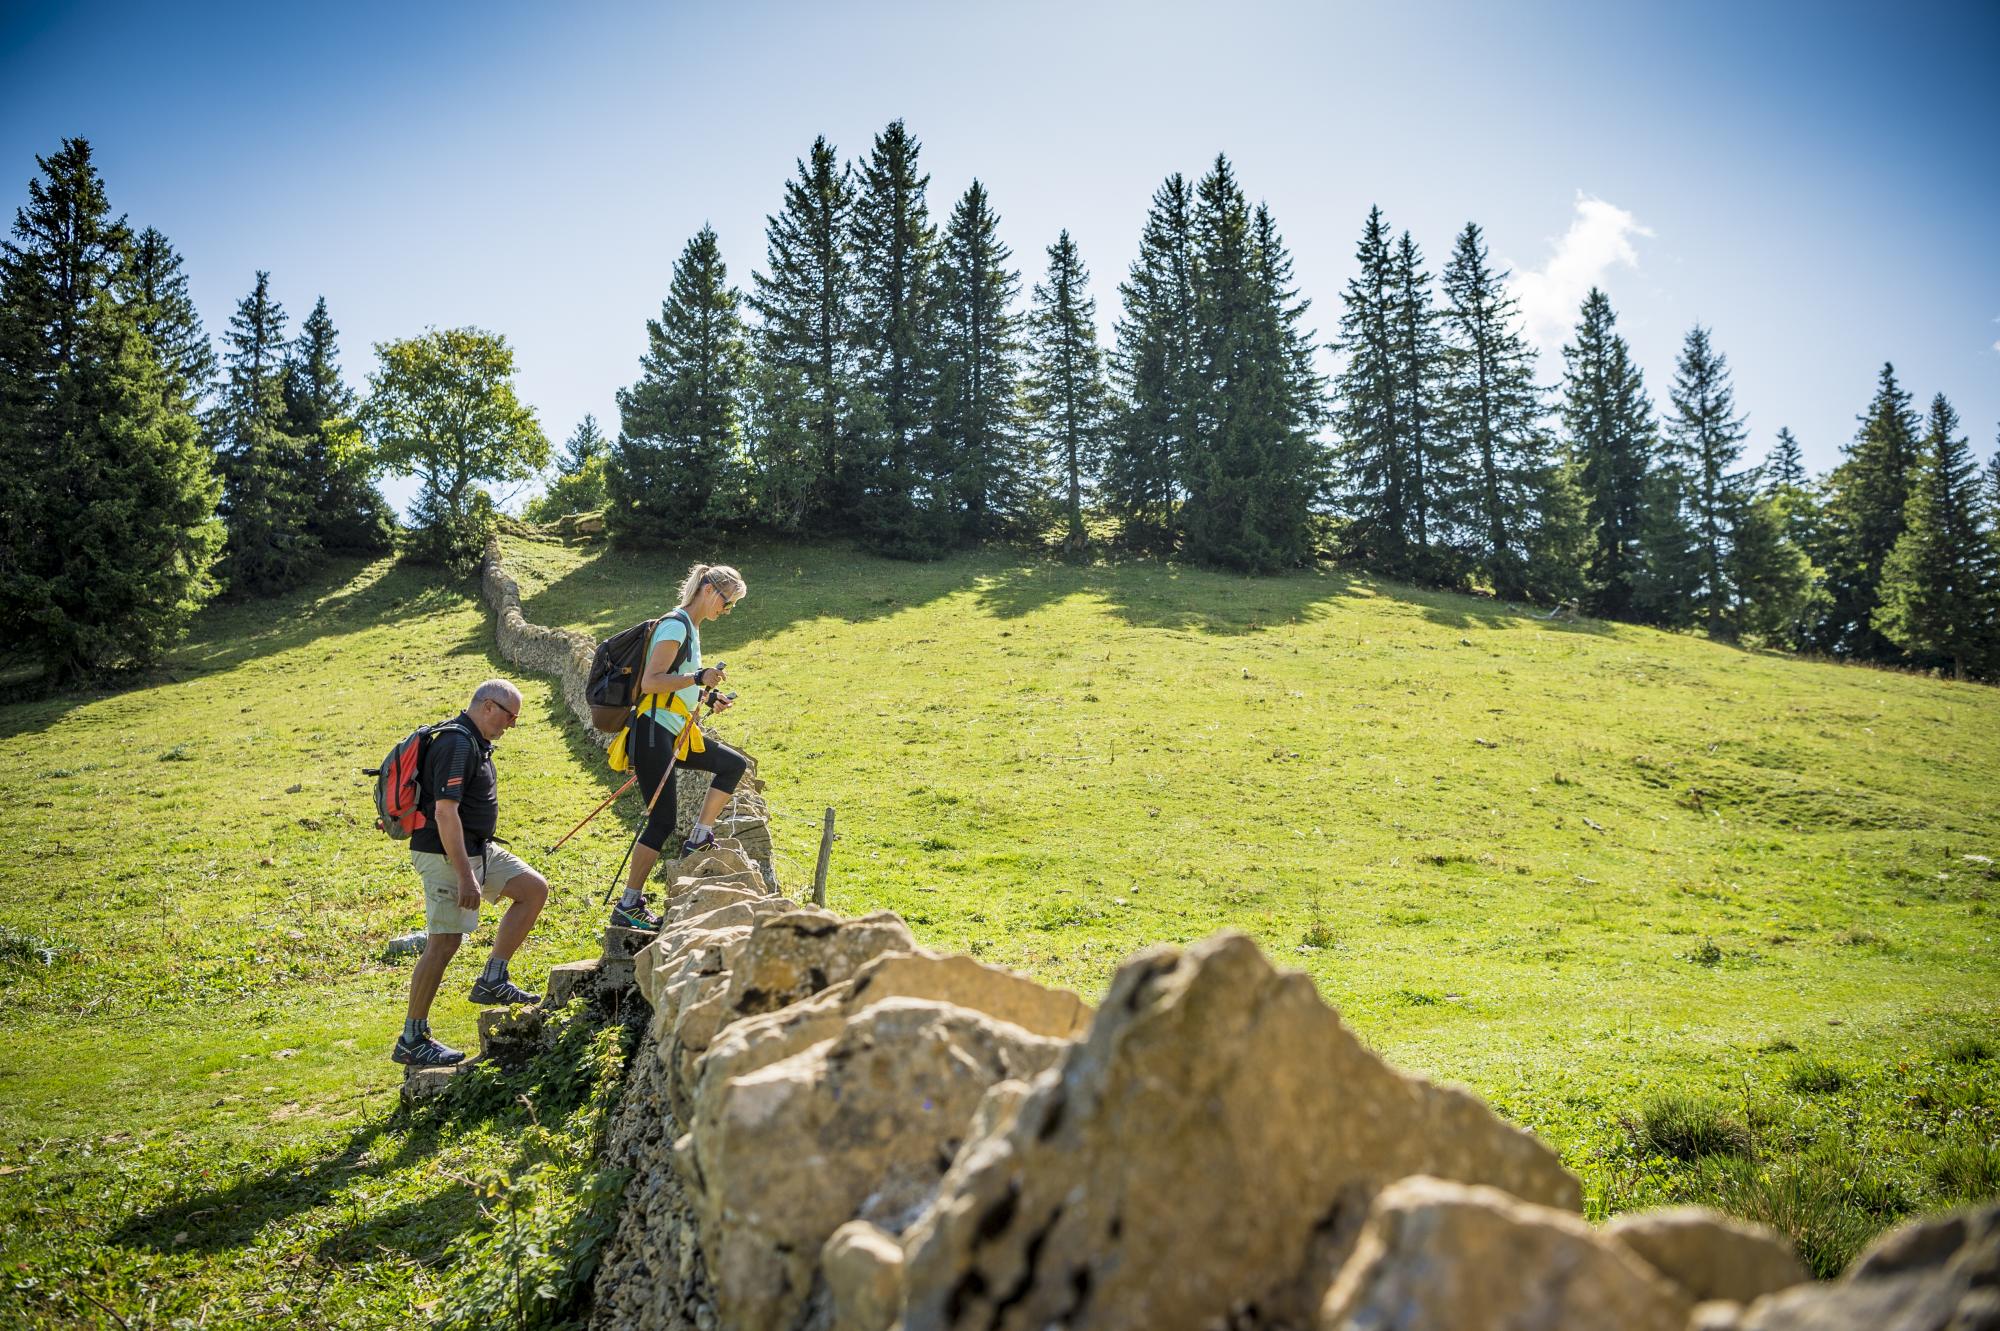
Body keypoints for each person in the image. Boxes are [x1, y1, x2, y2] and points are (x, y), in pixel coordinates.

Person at [392, 678, 551, 1067]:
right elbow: (445, 812)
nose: (511, 724)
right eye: (510, 716)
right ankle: (412, 1037)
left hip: (478, 849)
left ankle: (493, 978)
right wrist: (466, 876)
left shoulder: (472, 740)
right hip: (447, 855)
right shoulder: (457, 743)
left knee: (532, 890)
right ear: (488, 707)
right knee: (444, 942)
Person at [610, 563, 750, 931]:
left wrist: (708, 694)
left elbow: (681, 684)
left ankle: (699, 838)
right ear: (709, 591)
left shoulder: (692, 629)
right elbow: (652, 682)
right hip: (653, 731)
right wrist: (696, 677)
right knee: (662, 820)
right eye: (727, 601)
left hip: (674, 732)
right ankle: (628, 904)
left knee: (733, 765)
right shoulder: (675, 624)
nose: (727, 609)